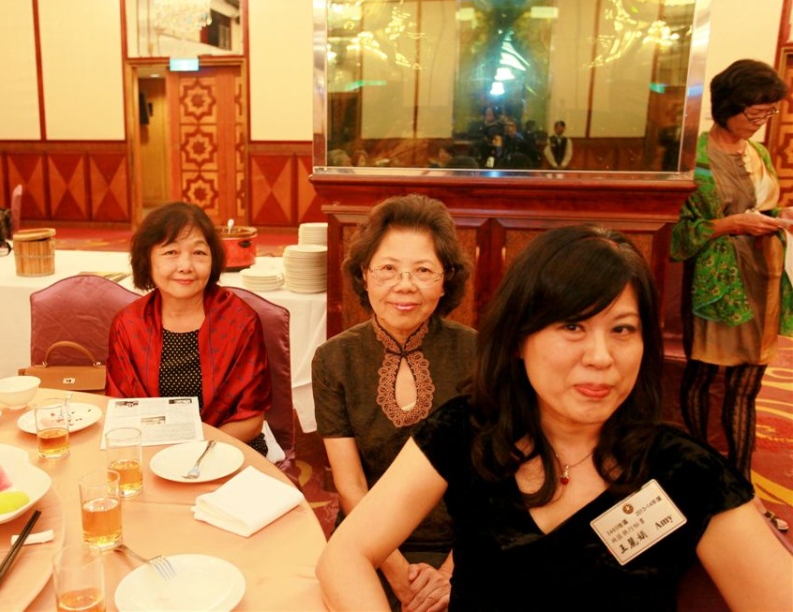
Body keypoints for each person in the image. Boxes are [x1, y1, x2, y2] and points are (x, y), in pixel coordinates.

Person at [317, 225, 793, 611]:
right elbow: (345, 554)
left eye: (623, 329)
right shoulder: (468, 430)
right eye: (572, 326)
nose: (601, 357)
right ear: (518, 338)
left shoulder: (687, 472)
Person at [312, 194, 477, 612]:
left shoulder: (477, 354)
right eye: (387, 269)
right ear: (364, 275)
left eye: (423, 270)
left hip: (463, 542)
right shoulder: (334, 359)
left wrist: (450, 574)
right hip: (367, 544)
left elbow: (491, 478)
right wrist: (400, 576)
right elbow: (350, 485)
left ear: (446, 279)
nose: (405, 285)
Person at [671, 59, 793, 532]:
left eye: (767, 114)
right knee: (705, 375)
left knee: (747, 385)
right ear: (727, 106)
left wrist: (778, 217)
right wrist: (730, 224)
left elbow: (762, 205)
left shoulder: (757, 153)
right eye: (753, 114)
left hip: (763, 277)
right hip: (717, 283)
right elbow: (679, 234)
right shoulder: (696, 158)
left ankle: (741, 487)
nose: (759, 123)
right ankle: (703, 473)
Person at [106, 202, 272, 453]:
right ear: (147, 259)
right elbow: (121, 410)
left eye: (199, 253)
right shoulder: (129, 324)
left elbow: (251, 420)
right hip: (151, 450)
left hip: (227, 449)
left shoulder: (240, 321)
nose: (186, 266)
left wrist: (190, 452)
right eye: (171, 252)